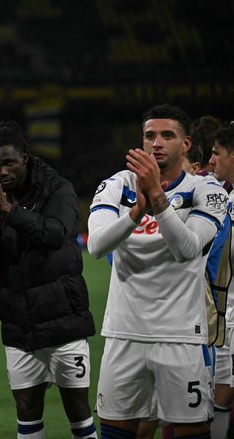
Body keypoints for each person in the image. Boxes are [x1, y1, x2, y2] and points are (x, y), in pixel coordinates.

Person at [88, 104, 228, 437]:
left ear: (187, 144)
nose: (157, 143)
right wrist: (138, 210)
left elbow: (189, 249)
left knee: (189, 430)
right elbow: (96, 246)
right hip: (123, 333)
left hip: (180, 336)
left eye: (168, 135)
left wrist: (158, 200)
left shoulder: (207, 191)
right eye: (150, 135)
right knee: (114, 430)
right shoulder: (117, 186)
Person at [0, 121, 97, 439]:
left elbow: (56, 234)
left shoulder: (57, 187)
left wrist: (10, 210)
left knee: (78, 411)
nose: (2, 171)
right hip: (19, 326)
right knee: (26, 411)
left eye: (8, 162)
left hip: (65, 322)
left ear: (24, 158)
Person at [207, 125, 234, 439]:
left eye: (216, 153)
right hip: (224, 317)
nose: (211, 161)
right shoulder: (226, 196)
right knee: (219, 397)